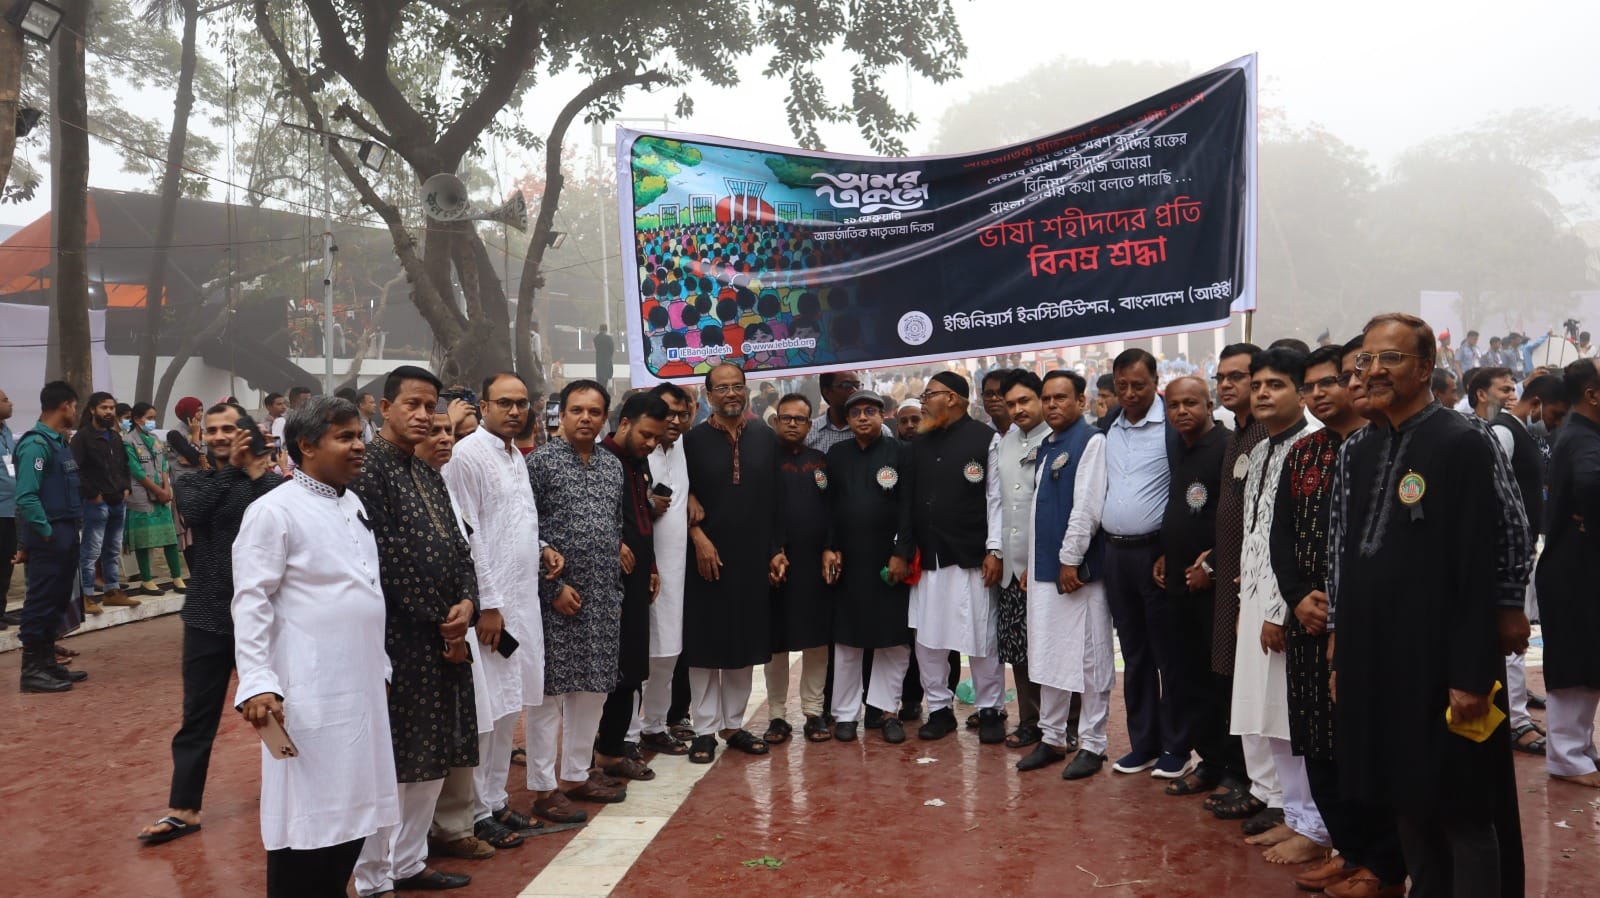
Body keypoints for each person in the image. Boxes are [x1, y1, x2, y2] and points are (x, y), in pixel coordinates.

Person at [1333, 313, 1522, 898]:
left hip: (1443, 656)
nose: (1374, 370)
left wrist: (1471, 671)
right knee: (1405, 796)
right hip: (1378, 655)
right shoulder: (1359, 448)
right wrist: (1344, 647)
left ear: (1424, 368)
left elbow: (1490, 550)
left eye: (1391, 358)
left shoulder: (1462, 440)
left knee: (1462, 806)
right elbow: (1346, 554)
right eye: (1366, 359)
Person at [231, 396, 397, 898]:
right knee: (308, 821)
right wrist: (257, 682)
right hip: (309, 690)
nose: (359, 446)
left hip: (361, 687)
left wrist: (381, 668)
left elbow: (365, 590)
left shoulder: (353, 503)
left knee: (355, 813)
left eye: (359, 435)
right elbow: (251, 601)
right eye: (344, 437)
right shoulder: (272, 511)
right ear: (306, 445)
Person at [1269, 340, 1407, 896]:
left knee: (1364, 746)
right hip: (1307, 622)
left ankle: (1383, 863)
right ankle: (1346, 850)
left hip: (1363, 627)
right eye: (1309, 387)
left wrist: (1341, 610)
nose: (1318, 394)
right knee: (1315, 741)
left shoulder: (1386, 448)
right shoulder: (1303, 453)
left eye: (1328, 381)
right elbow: (1280, 535)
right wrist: (1297, 596)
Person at [350, 366, 479, 896]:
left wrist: (468, 602)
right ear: (384, 408)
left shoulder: (426, 473)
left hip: (446, 635)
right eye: (413, 405)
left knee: (435, 752)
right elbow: (386, 560)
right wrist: (442, 620)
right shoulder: (368, 470)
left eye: (431, 407)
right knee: (397, 758)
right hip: (400, 638)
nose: (425, 416)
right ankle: (374, 875)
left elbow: (459, 547)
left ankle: (409, 861)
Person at [137, 403, 283, 844]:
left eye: (228, 428)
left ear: (246, 432)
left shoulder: (269, 483)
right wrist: (235, 470)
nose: (219, 436)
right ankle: (184, 809)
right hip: (207, 616)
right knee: (197, 716)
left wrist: (256, 472)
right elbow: (196, 512)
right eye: (213, 429)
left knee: (282, 709)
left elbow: (285, 511)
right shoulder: (193, 481)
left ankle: (296, 790)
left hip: (267, 617)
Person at [441, 372, 559, 847]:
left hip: (523, 601)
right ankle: (473, 811)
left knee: (510, 707)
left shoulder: (514, 455)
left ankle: (494, 801)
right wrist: (488, 605)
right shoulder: (467, 456)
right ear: (483, 407)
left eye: (521, 403)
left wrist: (543, 547)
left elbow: (516, 520)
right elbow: (468, 536)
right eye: (504, 403)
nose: (515, 411)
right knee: (486, 713)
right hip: (493, 610)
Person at [526, 379, 629, 811]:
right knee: (549, 695)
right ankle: (542, 787)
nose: (585, 418)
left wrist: (615, 587)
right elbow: (526, 530)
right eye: (577, 410)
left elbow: (615, 526)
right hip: (556, 597)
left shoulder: (612, 465)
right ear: (562, 415)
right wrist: (551, 588)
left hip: (602, 595)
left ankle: (575, 776)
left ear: (605, 417)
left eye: (594, 411)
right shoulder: (540, 463)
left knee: (593, 691)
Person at [891, 370, 1006, 743]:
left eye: (929, 395)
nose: (923, 402)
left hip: (972, 555)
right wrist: (903, 550)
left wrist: (995, 549)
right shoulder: (918, 444)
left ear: (952, 398)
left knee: (981, 636)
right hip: (929, 557)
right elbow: (906, 502)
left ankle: (990, 709)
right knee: (928, 638)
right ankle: (939, 709)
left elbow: (995, 499)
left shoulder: (986, 439)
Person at [682, 363, 782, 763]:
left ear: (746, 390)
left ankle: (733, 725)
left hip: (752, 555)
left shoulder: (765, 437)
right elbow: (678, 496)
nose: (731, 394)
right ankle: (704, 729)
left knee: (744, 640)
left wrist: (775, 549)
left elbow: (775, 498)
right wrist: (697, 537)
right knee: (705, 643)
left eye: (737, 386)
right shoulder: (690, 442)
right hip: (705, 556)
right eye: (721, 388)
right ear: (709, 396)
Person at [1016, 370, 1112, 778]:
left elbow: (1087, 508)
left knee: (1090, 657)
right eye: (1047, 398)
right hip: (1045, 570)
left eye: (1061, 397)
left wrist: (1070, 560)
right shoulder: (1047, 445)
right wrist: (1032, 563)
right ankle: (1052, 737)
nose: (1052, 404)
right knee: (1048, 654)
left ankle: (1093, 743)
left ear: (1081, 401)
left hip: (1078, 572)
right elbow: (1039, 511)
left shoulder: (1091, 441)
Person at [1098, 349, 1188, 777]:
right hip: (1115, 555)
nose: (1130, 393)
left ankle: (1177, 746)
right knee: (1133, 654)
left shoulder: (1173, 426)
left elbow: (1185, 491)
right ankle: (1143, 744)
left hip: (1157, 555)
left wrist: (1173, 549)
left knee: (1168, 653)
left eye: (1139, 385)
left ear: (1156, 381)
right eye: (1122, 385)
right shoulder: (1106, 428)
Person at [1153, 375, 1235, 798]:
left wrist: (1213, 565)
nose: (1182, 411)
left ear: (1210, 404)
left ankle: (1233, 770)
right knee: (1188, 678)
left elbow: (1236, 518)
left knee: (1219, 681)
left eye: (1191, 403)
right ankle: (1208, 762)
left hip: (1213, 590)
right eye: (1174, 405)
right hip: (1177, 585)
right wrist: (1167, 553)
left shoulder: (1226, 448)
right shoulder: (1179, 447)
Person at [823, 389, 915, 744]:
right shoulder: (837, 455)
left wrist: (901, 553)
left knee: (892, 639)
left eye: (870, 411)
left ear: (882, 415)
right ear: (847, 420)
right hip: (848, 559)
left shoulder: (900, 452)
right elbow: (829, 505)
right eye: (856, 413)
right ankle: (846, 714)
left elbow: (908, 507)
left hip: (888, 560)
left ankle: (887, 711)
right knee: (848, 640)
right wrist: (830, 547)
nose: (863, 417)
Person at [1203, 343, 1264, 821]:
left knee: (1255, 681)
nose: (1226, 384)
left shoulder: (1266, 433)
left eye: (1237, 376)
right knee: (1229, 673)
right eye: (1221, 377)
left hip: (1256, 580)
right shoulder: (1237, 433)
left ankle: (1258, 783)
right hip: (1227, 573)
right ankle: (1236, 769)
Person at [595, 391, 668, 777]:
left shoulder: (639, 463)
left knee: (633, 666)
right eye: (646, 435)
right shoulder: (600, 461)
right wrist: (614, 544)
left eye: (656, 437)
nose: (651, 443)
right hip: (606, 581)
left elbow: (641, 520)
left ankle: (613, 748)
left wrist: (651, 565)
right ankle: (599, 751)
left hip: (638, 578)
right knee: (611, 670)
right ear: (624, 423)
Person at [1536, 358, 1600, 789]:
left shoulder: (1583, 433)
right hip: (1573, 568)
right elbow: (1592, 484)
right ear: (1592, 394)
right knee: (1576, 659)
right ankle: (1567, 756)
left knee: (1588, 657)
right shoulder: (1581, 437)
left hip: (1580, 565)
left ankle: (1579, 748)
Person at [630, 383, 695, 756]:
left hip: (675, 571)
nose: (674, 420)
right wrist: (646, 504)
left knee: (668, 652)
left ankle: (655, 725)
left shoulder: (685, 447)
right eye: (666, 412)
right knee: (634, 655)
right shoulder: (637, 451)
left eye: (681, 414)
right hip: (639, 568)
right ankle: (625, 735)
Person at [764, 394, 833, 743]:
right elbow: (754, 513)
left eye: (800, 419)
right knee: (776, 643)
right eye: (786, 418)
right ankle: (777, 715)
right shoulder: (762, 461)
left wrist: (830, 547)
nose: (793, 424)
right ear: (776, 421)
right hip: (774, 564)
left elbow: (833, 509)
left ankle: (814, 712)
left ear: (809, 425)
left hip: (813, 564)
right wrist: (771, 551)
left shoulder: (820, 462)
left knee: (815, 639)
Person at [14, 381, 86, 692]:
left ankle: (47, 664)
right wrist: (46, 532)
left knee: (56, 601)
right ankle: (31, 671)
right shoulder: (36, 444)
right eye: (75, 406)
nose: (75, 412)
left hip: (66, 531)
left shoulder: (59, 442)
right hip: (50, 535)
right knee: (41, 601)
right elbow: (26, 496)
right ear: (65, 405)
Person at [994, 369, 1051, 748]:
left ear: (1041, 398)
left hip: (1047, 565)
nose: (1018, 410)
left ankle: (1066, 722)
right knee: (1019, 647)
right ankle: (1030, 720)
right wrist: (996, 551)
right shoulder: (1005, 443)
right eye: (1011, 403)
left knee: (1054, 646)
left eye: (1024, 401)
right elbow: (997, 502)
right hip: (1011, 566)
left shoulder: (1058, 439)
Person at [71, 391, 137, 613]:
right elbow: (74, 469)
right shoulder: (82, 438)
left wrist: (126, 488)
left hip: (118, 501)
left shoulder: (115, 437)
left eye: (111, 408)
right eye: (104, 408)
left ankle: (112, 591)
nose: (109, 412)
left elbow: (124, 466)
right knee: (91, 551)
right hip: (96, 503)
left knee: (113, 549)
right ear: (92, 410)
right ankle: (87, 596)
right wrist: (92, 493)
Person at [123, 402, 186, 595]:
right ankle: (147, 580)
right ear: (137, 419)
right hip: (142, 496)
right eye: (149, 418)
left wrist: (166, 488)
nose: (153, 422)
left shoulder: (155, 439)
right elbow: (136, 470)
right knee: (143, 540)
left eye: (154, 418)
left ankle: (177, 577)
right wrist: (158, 491)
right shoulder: (128, 441)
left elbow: (164, 464)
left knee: (170, 538)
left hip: (162, 494)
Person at [805, 371, 869, 452]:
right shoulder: (808, 433)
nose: (855, 390)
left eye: (857, 385)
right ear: (827, 392)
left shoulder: (875, 430)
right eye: (846, 385)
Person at [0, 387, 18, 630]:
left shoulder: (6, 430)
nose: (10, 403)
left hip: (12, 509)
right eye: (5, 400)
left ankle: (1, 611)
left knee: (6, 562)